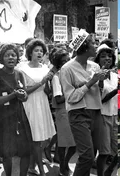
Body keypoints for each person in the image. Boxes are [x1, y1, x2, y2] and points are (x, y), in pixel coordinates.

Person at [59, 32, 108, 176]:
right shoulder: (67, 69)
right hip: (79, 113)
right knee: (87, 156)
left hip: (96, 112)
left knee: (92, 153)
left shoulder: (94, 66)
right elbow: (71, 97)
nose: (96, 46)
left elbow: (100, 91)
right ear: (85, 48)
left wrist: (100, 81)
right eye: (93, 43)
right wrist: (91, 82)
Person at [0, 44, 32, 176]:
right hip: (4, 117)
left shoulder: (19, 74)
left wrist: (23, 96)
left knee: (25, 150)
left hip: (19, 115)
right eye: (7, 55)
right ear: (2, 58)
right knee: (7, 152)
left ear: (17, 58)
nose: (11, 58)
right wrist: (14, 95)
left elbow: (25, 97)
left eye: (13, 55)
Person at [18, 39, 56, 176]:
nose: (39, 53)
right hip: (31, 104)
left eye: (41, 51)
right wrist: (42, 82)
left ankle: (32, 166)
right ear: (30, 52)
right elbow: (24, 92)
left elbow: (47, 90)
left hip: (43, 103)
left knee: (45, 137)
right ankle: (40, 169)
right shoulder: (22, 69)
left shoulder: (45, 68)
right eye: (36, 50)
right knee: (36, 138)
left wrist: (49, 85)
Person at [50, 48, 76, 176]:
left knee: (75, 144)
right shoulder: (56, 77)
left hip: (74, 111)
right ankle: (62, 167)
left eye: (68, 60)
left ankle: (64, 164)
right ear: (58, 63)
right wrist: (74, 92)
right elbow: (58, 98)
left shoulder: (72, 74)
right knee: (63, 143)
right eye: (63, 61)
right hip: (63, 112)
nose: (66, 62)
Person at [94, 43, 119, 176]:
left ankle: (109, 171)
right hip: (103, 116)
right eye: (103, 56)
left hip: (115, 115)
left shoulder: (115, 76)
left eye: (110, 56)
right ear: (98, 59)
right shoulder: (95, 75)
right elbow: (99, 98)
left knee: (117, 151)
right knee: (104, 152)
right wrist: (101, 80)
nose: (107, 58)